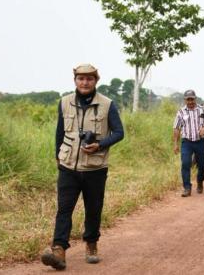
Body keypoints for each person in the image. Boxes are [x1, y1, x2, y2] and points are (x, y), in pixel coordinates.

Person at [41, 64, 124, 270]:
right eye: (81, 78)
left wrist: (100, 144)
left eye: (89, 79)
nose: (85, 82)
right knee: (64, 209)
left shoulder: (107, 104)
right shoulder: (65, 102)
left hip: (95, 168)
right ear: (75, 80)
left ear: (96, 81)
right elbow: (60, 132)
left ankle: (91, 244)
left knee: (93, 209)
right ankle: (59, 249)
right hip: (68, 166)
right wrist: (58, 157)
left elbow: (119, 132)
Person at [173, 90, 204, 197]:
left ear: (195, 99)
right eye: (188, 99)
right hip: (187, 142)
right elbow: (176, 128)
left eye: (192, 99)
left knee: (202, 166)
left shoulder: (202, 110)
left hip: (200, 142)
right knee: (185, 163)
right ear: (185, 100)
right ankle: (187, 188)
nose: (190, 101)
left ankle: (200, 182)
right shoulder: (181, 112)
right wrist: (175, 144)